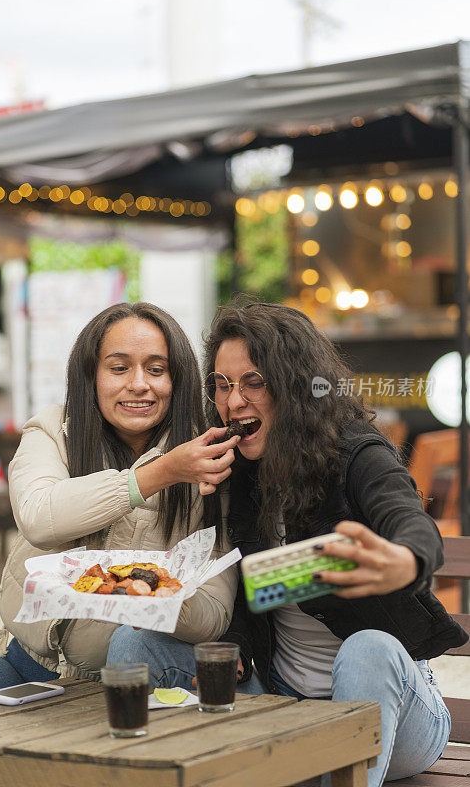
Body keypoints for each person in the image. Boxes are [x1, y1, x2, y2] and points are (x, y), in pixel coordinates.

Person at [107, 302, 468, 787]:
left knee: (368, 648)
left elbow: (410, 523)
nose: (234, 401)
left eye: (253, 382)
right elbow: (252, 585)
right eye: (222, 384)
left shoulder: (357, 454)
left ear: (295, 386)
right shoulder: (238, 472)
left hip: (398, 720)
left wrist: (405, 560)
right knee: (134, 642)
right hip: (284, 704)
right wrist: (232, 645)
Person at [0, 302, 239, 702]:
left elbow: (214, 614)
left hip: (130, 681)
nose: (138, 384)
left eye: (156, 369)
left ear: (178, 379)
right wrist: (161, 472)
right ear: (91, 376)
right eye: (118, 368)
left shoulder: (210, 461)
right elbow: (38, 517)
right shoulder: (52, 430)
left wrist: (153, 600)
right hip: (24, 668)